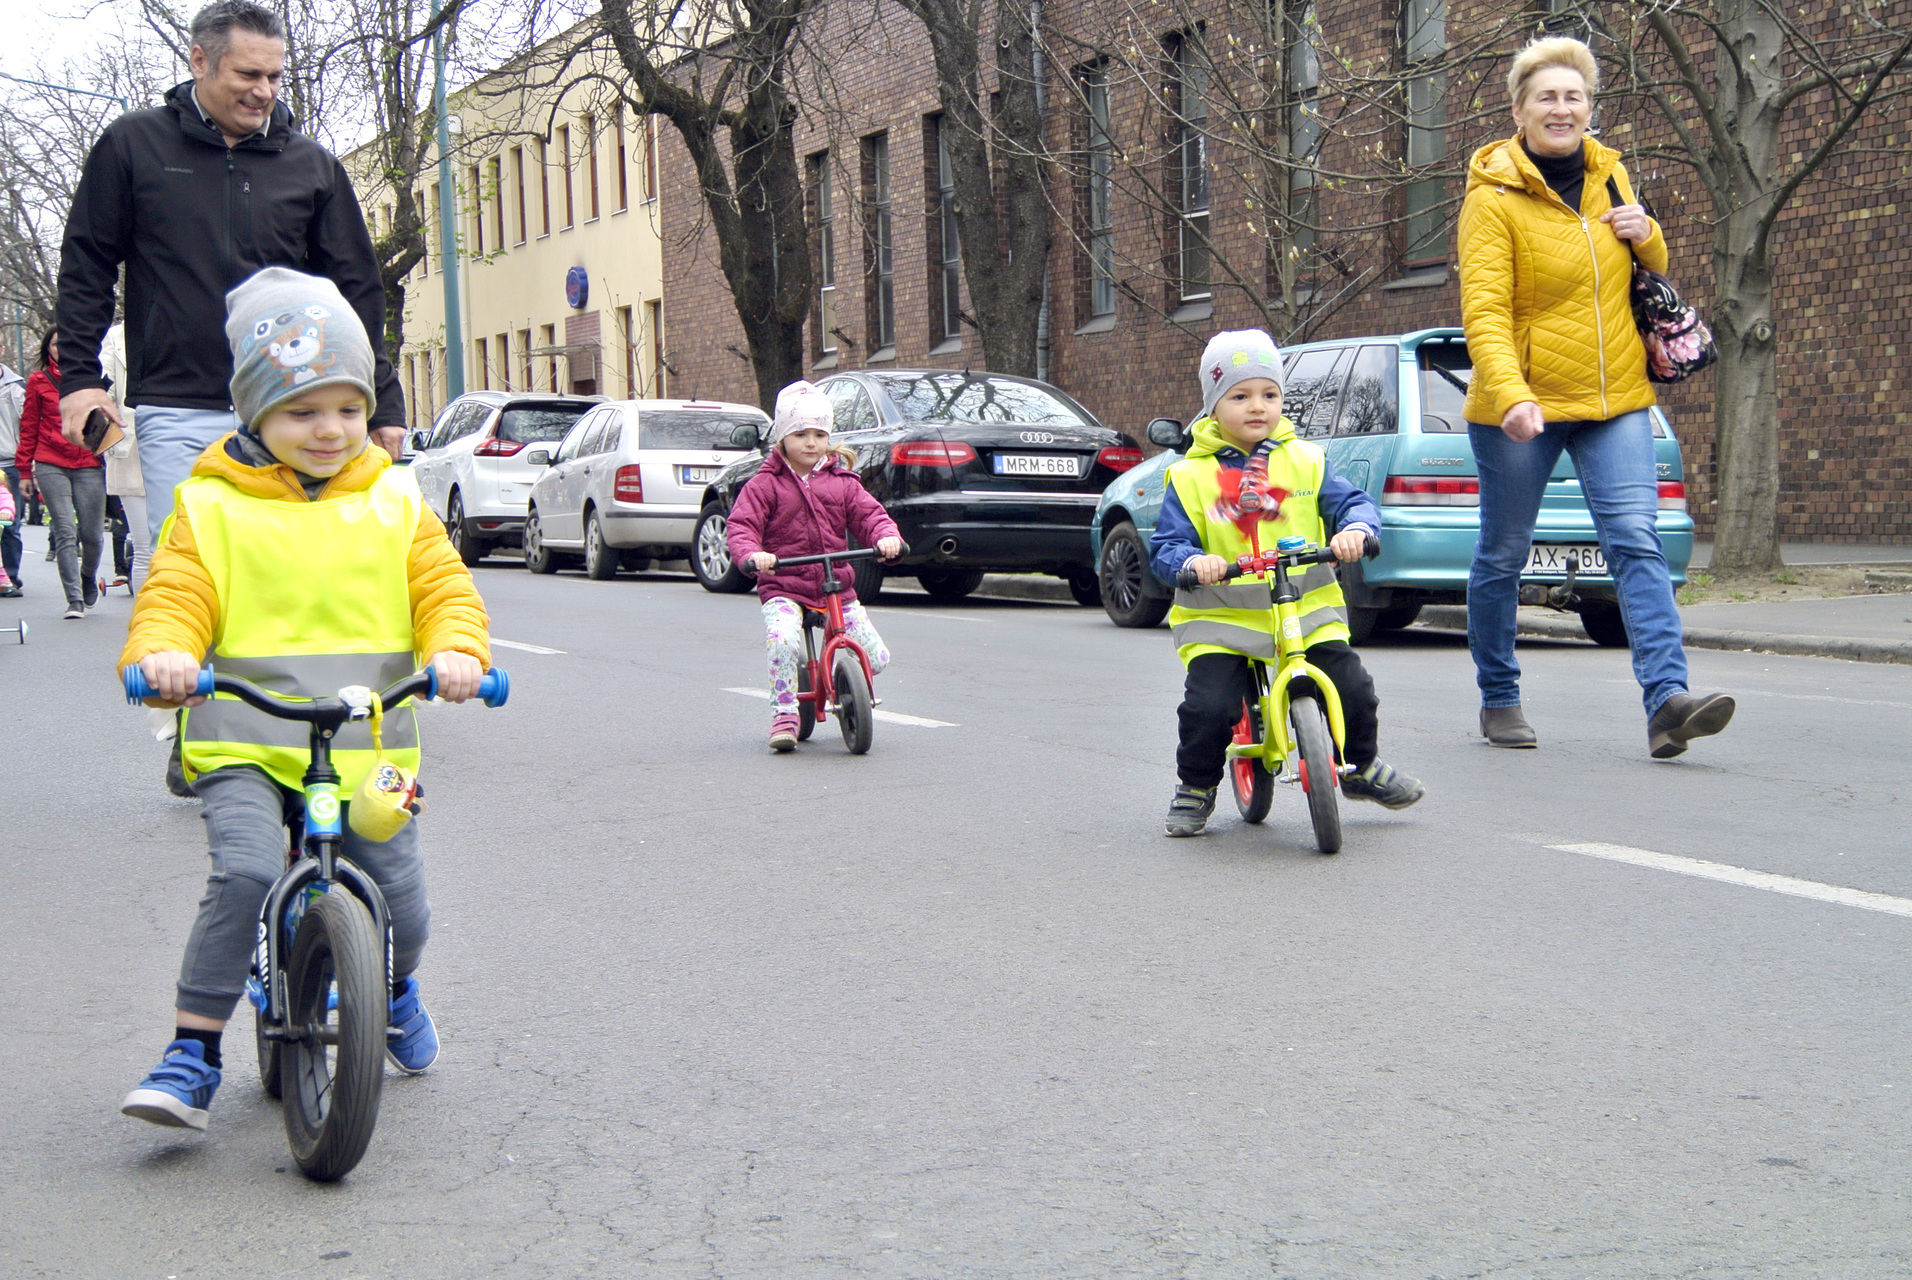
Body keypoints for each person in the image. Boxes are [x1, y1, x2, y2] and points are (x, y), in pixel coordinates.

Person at [116, 268, 490, 1132]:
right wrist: (166, 654)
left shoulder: (395, 499)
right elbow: (175, 594)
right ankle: (193, 1052)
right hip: (243, 740)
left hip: (365, 745)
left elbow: (443, 588)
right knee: (246, 871)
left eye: (349, 409)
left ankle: (392, 987)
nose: (330, 430)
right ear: (255, 415)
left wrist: (457, 653)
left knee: (401, 903)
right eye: (302, 411)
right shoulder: (209, 506)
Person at [1458, 36, 1733, 759]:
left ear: (1589, 107)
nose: (1562, 108)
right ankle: (1499, 696)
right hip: (1525, 406)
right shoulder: (1492, 199)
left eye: (1573, 96)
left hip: (1616, 401)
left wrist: (1652, 235)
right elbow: (1484, 310)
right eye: (1546, 97)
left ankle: (1668, 703)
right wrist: (1510, 394)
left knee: (1637, 540)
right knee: (1504, 553)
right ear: (1519, 112)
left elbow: (1638, 273)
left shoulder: (1611, 175)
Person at [55, 0, 407, 563]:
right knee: (191, 568)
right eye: (248, 74)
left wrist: (382, 401)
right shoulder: (133, 145)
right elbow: (86, 266)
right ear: (200, 61)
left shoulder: (313, 166)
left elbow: (357, 291)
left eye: (274, 76)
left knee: (289, 571)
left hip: (291, 406)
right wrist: (79, 380)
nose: (264, 91)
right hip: (179, 404)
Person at [1149, 330, 1424, 838]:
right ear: (1212, 407)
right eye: (1240, 395)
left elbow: (1352, 503)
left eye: (1269, 394)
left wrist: (1356, 529)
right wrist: (1193, 561)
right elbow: (1167, 546)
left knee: (1353, 687)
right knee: (1208, 706)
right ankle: (1196, 785)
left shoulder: (1306, 461)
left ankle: (1360, 766)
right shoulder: (1189, 477)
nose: (1258, 406)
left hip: (1304, 610)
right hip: (1221, 617)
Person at [725, 381, 903, 753]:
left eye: (820, 435)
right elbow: (742, 526)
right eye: (801, 434)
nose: (811, 443)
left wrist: (886, 537)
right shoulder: (765, 485)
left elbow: (870, 516)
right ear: (782, 438)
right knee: (783, 641)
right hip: (785, 584)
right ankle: (785, 713)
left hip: (835, 586)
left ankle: (839, 680)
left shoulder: (842, 483)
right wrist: (753, 555)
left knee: (877, 657)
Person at [15, 329, 104, 619]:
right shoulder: (38, 380)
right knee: (65, 530)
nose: (60, 349)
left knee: (92, 536)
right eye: (55, 344)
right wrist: (24, 471)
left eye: (65, 344)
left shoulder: (92, 377)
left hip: (89, 462)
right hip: (50, 461)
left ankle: (88, 575)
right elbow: (29, 425)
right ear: (48, 348)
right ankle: (74, 599)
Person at [99, 324, 151, 589]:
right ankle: (148, 616)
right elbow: (103, 390)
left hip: (183, 441)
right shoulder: (116, 335)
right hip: (131, 448)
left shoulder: (184, 321)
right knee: (147, 549)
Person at [0, 359, 23, 595]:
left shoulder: (15, 386)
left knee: (9, 523)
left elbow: (27, 424)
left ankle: (10, 576)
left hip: (9, 463)